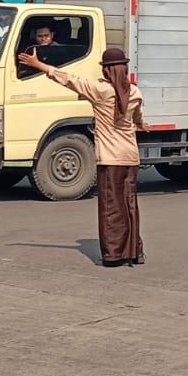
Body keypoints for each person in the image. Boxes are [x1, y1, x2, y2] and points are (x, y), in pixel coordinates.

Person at [17, 45, 147, 267]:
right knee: (129, 204)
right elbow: (138, 118)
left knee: (111, 206)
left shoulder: (100, 91)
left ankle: (114, 255)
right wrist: (141, 125)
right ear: (124, 69)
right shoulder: (134, 92)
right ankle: (135, 252)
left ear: (106, 71)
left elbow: (68, 78)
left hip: (110, 158)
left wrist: (38, 65)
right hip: (131, 157)